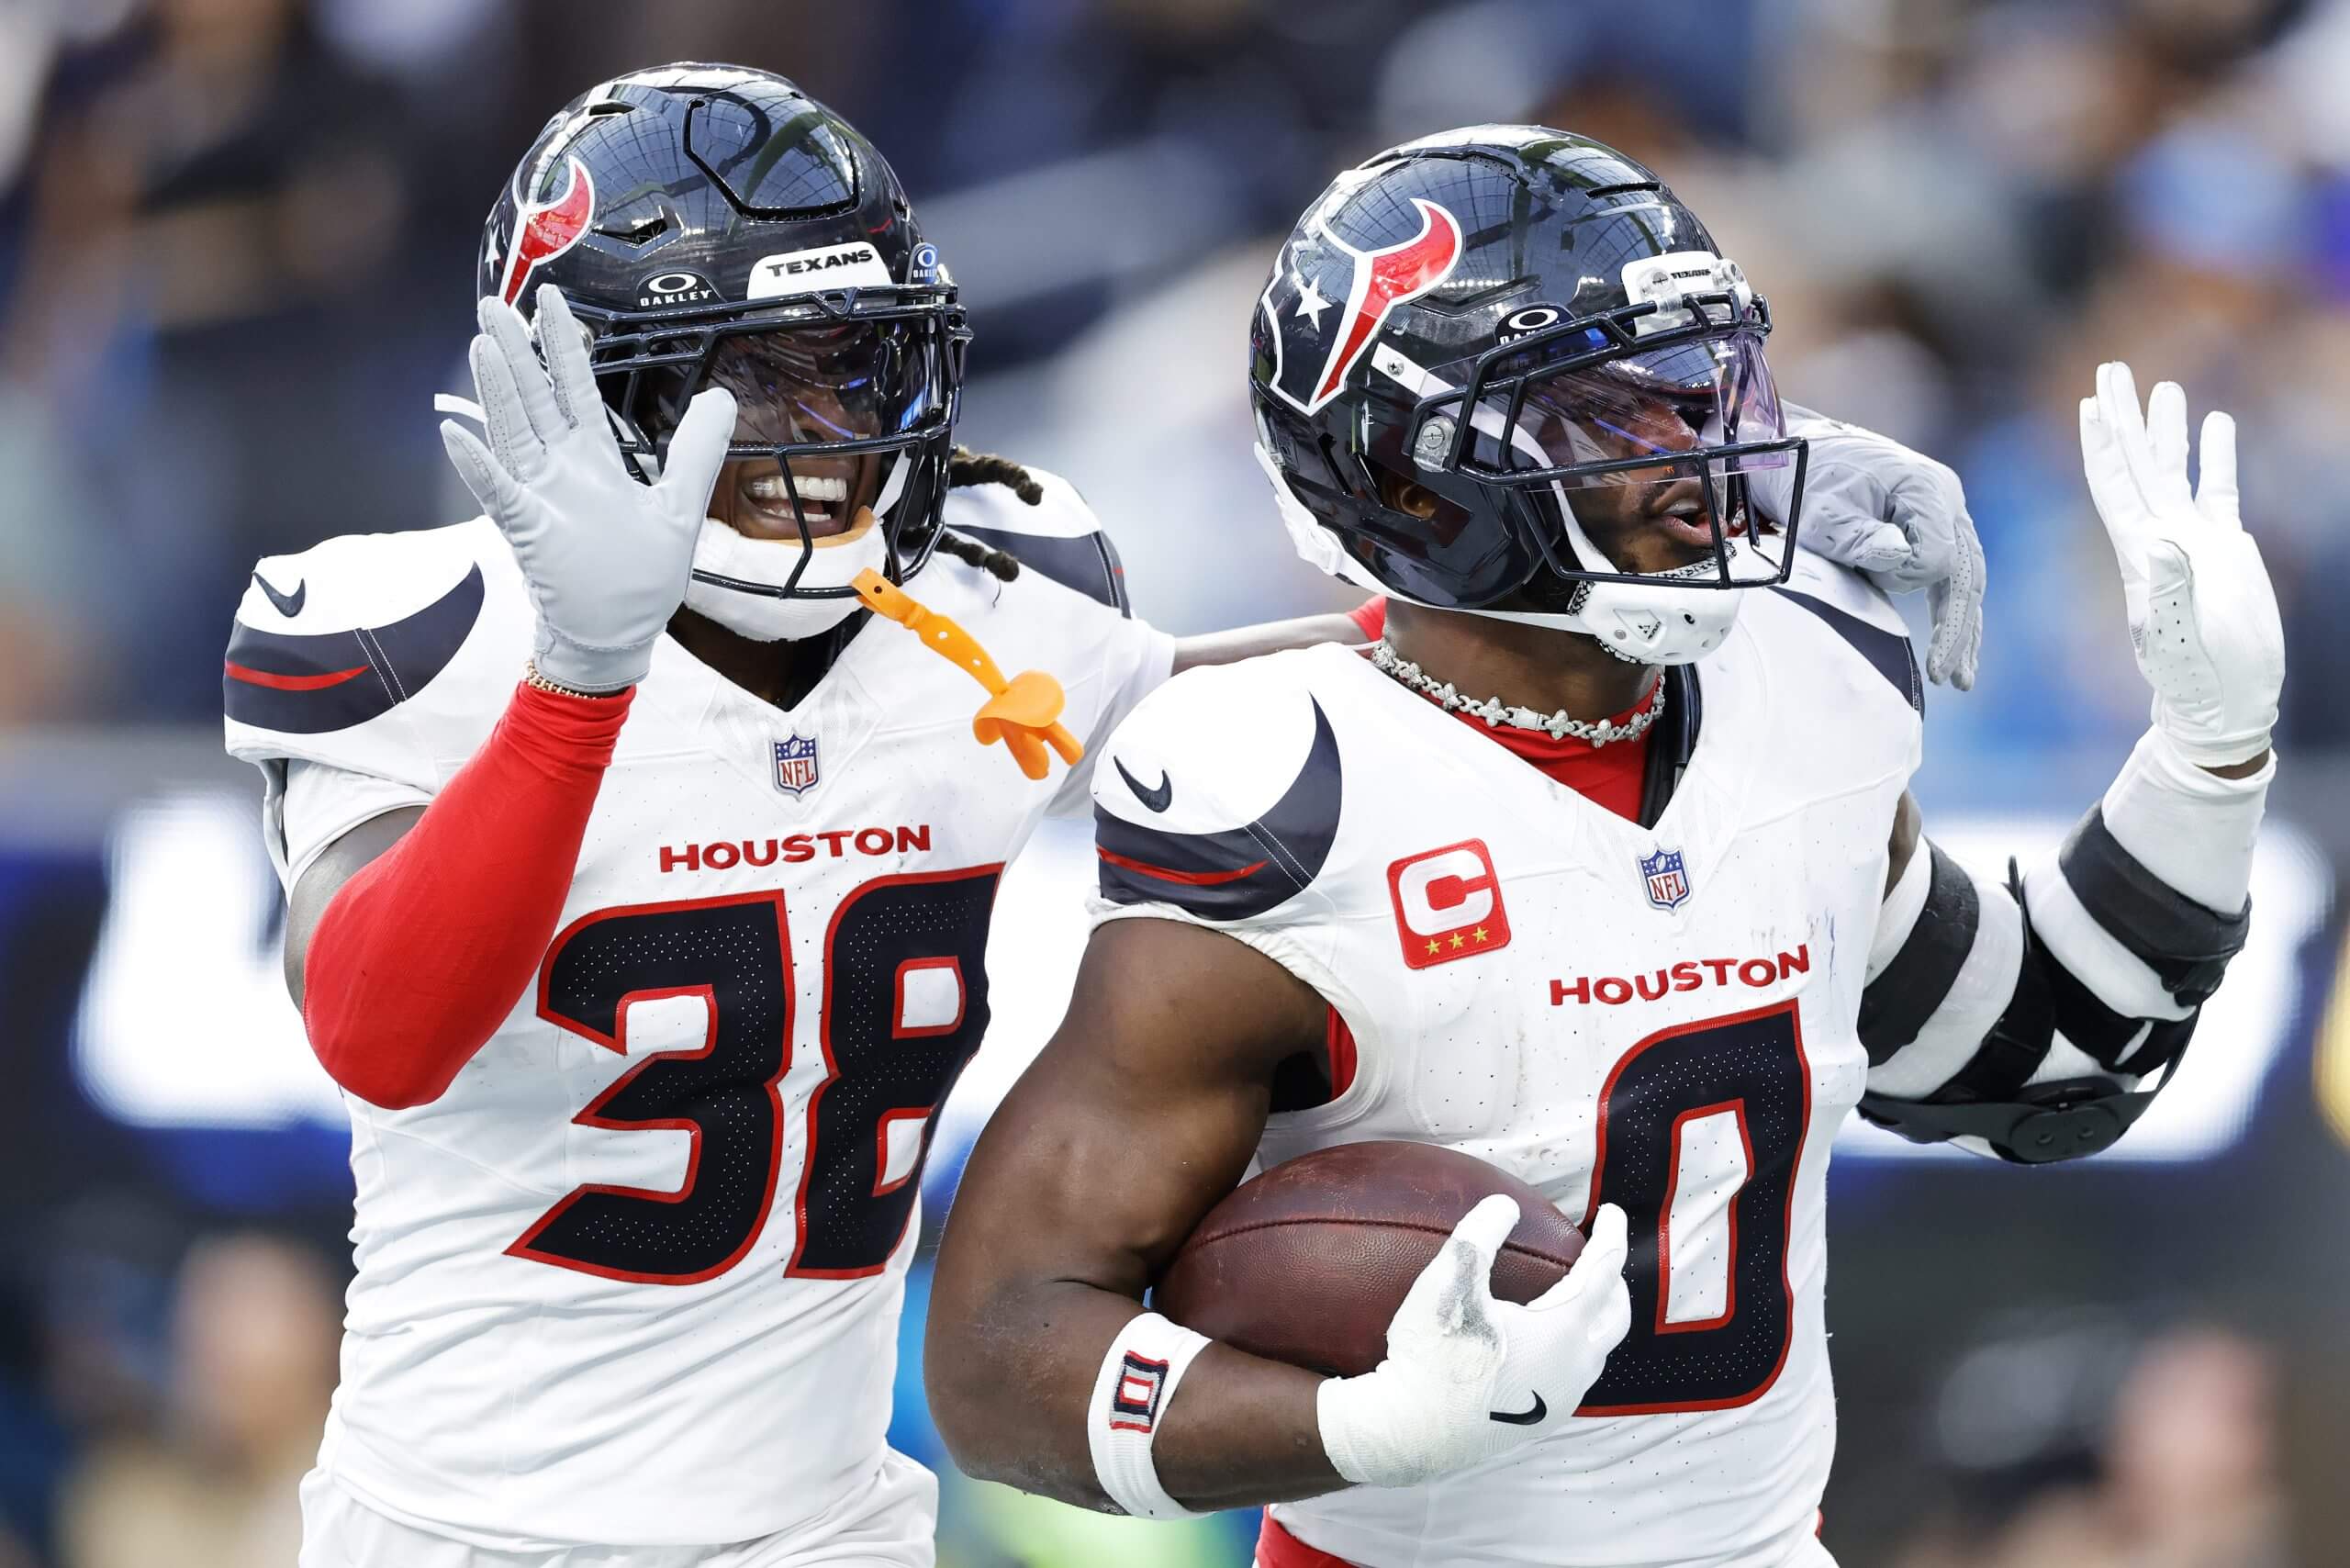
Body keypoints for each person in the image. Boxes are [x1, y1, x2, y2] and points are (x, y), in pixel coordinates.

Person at [222, 73, 1978, 1564]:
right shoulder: (409, 636)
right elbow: (382, 1028)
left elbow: (1382, 667)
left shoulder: (997, 605)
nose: (835, 440)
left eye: (863, 366)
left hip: (834, 1526)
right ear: (589, 376)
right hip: (458, 1525)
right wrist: (579, 690)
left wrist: (1685, 483)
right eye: (762, 378)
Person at [923, 127, 2283, 1568]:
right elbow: (1006, 1354)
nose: (1709, 451)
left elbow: (2054, 1074)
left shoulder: (1806, 679)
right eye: (1612, 416)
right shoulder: (1291, 793)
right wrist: (1350, 1433)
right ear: (1416, 479)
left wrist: (2205, 755)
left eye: (1706, 387)